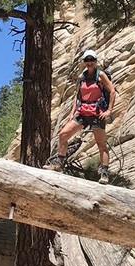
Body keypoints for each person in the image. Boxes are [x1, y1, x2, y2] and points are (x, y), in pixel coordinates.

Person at [44, 49, 116, 183]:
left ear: (95, 61)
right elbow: (77, 97)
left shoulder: (100, 75)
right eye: (87, 60)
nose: (89, 62)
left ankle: (104, 173)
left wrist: (109, 110)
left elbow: (112, 92)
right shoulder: (81, 77)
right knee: (63, 134)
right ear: (84, 62)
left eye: (92, 60)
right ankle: (59, 163)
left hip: (97, 113)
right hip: (83, 112)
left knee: (101, 144)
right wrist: (72, 113)